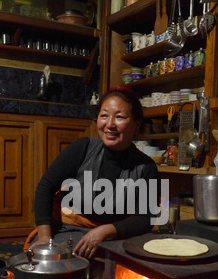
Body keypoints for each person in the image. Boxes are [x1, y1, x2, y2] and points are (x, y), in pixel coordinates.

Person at [32, 88, 160, 259]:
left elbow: (147, 218)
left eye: (120, 117)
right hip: (70, 230)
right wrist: (44, 237)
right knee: (62, 262)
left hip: (116, 236)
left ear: (137, 124)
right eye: (104, 115)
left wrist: (105, 231)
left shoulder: (146, 167)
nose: (110, 124)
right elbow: (45, 187)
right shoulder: (83, 149)